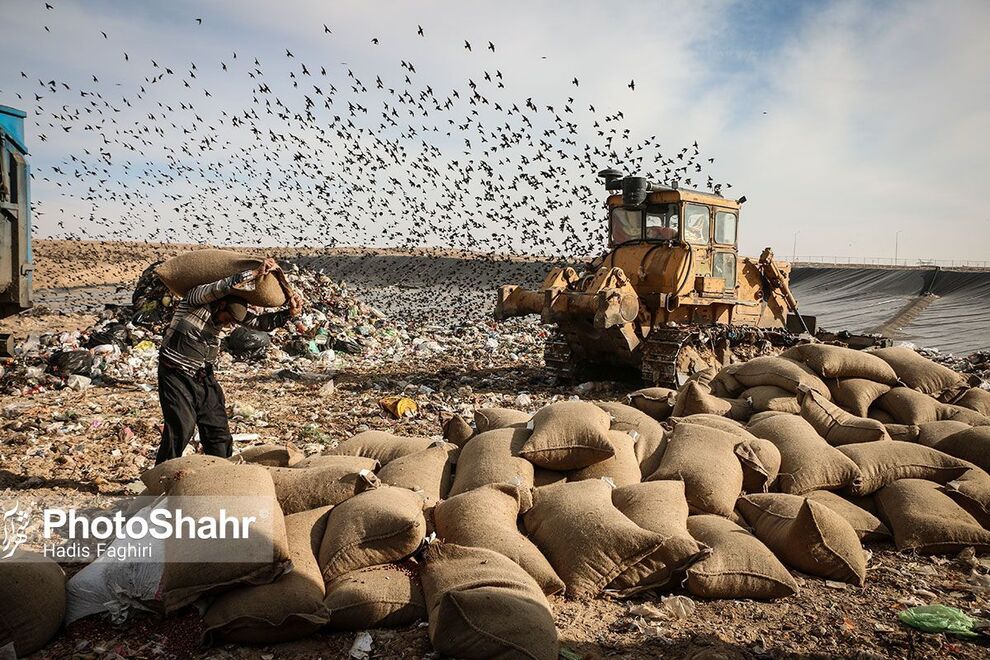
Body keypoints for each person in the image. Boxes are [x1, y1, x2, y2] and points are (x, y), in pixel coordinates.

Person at [155, 258, 303, 464]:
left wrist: (289, 313)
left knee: (218, 430)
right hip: (174, 371)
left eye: (232, 322)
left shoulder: (231, 314)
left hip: (202, 375)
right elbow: (221, 286)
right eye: (227, 318)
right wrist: (253, 274)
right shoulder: (195, 301)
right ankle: (162, 476)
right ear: (220, 304)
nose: (227, 324)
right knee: (182, 426)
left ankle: (220, 473)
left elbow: (260, 323)